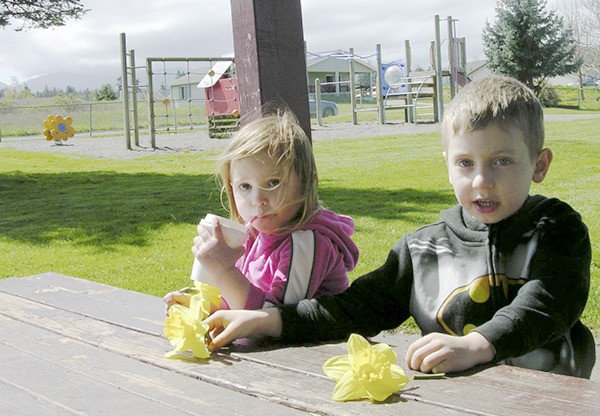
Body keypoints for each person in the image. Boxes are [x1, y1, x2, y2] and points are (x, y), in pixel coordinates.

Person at [203, 76, 595, 379]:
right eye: (465, 163)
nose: (481, 181)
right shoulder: (423, 249)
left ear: (539, 165)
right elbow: (354, 309)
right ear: (447, 164)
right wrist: (270, 320)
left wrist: (478, 344)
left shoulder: (555, 230)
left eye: (502, 161)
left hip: (551, 398)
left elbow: (547, 302)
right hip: (458, 402)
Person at [164, 110, 360, 311]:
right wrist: (204, 307)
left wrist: (223, 269)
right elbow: (240, 301)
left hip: (322, 343)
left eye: (273, 183)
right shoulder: (254, 235)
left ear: (305, 183)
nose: (258, 200)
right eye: (245, 187)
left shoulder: (308, 242)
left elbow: (273, 319)